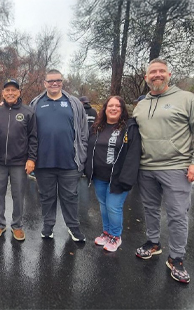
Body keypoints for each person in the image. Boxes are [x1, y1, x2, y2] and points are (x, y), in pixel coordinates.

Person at [133, 58, 194, 284]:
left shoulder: (186, 99)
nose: (157, 75)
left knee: (177, 214)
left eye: (161, 71)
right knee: (150, 209)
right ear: (146, 77)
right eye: (152, 72)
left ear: (169, 74)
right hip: (146, 167)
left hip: (176, 167)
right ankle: (153, 242)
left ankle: (176, 258)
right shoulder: (141, 104)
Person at [29, 69, 88, 241]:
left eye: (58, 80)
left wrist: (82, 155)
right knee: (47, 196)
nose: (55, 83)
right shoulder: (36, 103)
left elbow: (84, 131)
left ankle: (73, 227)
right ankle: (48, 226)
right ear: (44, 83)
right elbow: (28, 130)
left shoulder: (74, 103)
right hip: (43, 161)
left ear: (62, 82)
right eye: (51, 81)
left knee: (70, 196)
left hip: (69, 161)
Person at [85, 96, 141, 252]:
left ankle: (116, 236)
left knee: (113, 206)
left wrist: (128, 177)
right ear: (105, 108)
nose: (114, 108)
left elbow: (133, 154)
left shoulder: (129, 128)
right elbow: (89, 148)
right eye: (110, 105)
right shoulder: (97, 127)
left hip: (119, 177)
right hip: (99, 176)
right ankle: (106, 233)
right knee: (103, 206)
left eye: (118, 106)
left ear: (122, 109)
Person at [0, 79, 37, 241]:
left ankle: (17, 226)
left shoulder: (28, 112)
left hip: (19, 162)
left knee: (18, 195)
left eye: (13, 90)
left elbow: (33, 138)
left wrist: (31, 159)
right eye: (7, 90)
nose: (10, 93)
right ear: (2, 93)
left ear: (19, 93)